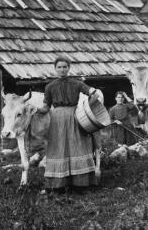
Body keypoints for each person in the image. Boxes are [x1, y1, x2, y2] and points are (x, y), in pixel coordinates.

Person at [36, 56, 101, 191]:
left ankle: (81, 184)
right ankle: (58, 185)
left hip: (75, 117)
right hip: (57, 120)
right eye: (59, 67)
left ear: (69, 68)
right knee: (59, 148)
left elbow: (91, 92)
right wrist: (36, 110)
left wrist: (91, 99)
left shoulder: (77, 83)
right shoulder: (50, 86)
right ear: (55, 69)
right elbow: (46, 107)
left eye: (65, 67)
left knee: (78, 145)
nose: (62, 69)